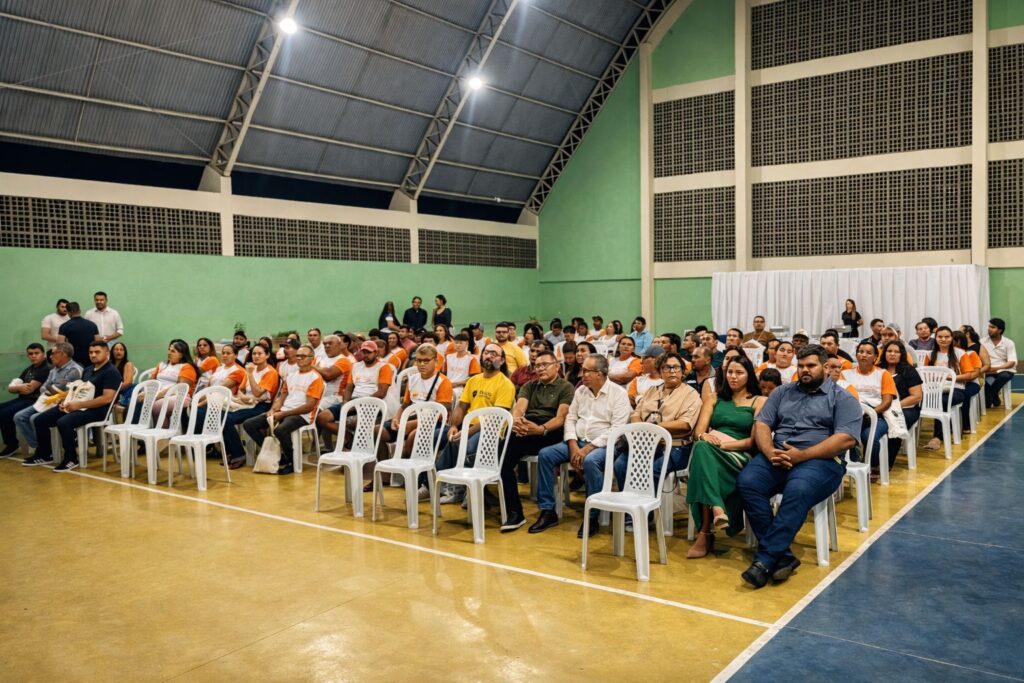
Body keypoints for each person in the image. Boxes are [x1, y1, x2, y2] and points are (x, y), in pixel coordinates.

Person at [737, 345, 861, 588]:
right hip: (778, 456)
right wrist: (769, 451)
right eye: (801, 365)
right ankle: (782, 556)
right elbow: (762, 424)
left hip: (821, 462)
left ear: (825, 367)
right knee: (748, 482)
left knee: (798, 490)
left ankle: (765, 560)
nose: (805, 370)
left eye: (811, 366)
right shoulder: (782, 392)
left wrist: (801, 456)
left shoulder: (843, 398)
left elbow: (845, 439)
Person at [528, 354, 630, 538]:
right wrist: (573, 444)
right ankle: (548, 510)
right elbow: (571, 419)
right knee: (546, 454)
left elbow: (617, 429)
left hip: (605, 445)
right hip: (579, 441)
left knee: (591, 461)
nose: (583, 374)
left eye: (587, 371)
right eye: (583, 370)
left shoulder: (618, 394)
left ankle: (592, 515)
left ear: (600, 373)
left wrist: (588, 448)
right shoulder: (581, 391)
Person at [686, 355, 765, 558]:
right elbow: (699, 432)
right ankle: (716, 509)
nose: (733, 377)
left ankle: (705, 532)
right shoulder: (714, 398)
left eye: (739, 372)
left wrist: (722, 445)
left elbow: (752, 442)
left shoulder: (759, 401)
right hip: (711, 452)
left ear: (749, 375)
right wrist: (704, 437)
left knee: (703, 453)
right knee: (702, 448)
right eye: (730, 372)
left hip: (739, 454)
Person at [614, 352, 702, 528]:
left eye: (676, 367)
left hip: (675, 446)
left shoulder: (691, 394)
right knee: (620, 465)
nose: (672, 371)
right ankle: (631, 510)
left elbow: (685, 424)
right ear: (660, 371)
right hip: (645, 443)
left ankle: (645, 514)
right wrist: (640, 426)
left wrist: (653, 427)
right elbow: (636, 413)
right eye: (666, 368)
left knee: (653, 469)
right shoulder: (652, 391)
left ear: (683, 371)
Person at [495, 350, 575, 532]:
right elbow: (519, 408)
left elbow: (561, 418)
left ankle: (542, 511)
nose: (540, 369)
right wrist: (517, 421)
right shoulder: (530, 385)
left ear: (557, 366)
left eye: (544, 365)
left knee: (504, 452)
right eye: (537, 366)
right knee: (503, 460)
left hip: (551, 431)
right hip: (527, 428)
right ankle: (515, 512)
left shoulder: (566, 387)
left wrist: (541, 429)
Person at [437, 343, 516, 505]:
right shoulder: (473, 380)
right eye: (486, 352)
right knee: (446, 438)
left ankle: (471, 490)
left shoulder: (505, 384)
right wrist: (454, 426)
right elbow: (461, 407)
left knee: (466, 447)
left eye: (494, 354)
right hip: (469, 427)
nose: (489, 356)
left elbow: (495, 418)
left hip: (492, 431)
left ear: (502, 361)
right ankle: (436, 485)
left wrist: (467, 432)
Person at [25, 341, 121, 471]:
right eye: (91, 352)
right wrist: (66, 401)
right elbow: (78, 390)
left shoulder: (111, 372)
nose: (93, 355)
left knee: (64, 422)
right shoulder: (88, 370)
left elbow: (107, 398)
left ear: (107, 353)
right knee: (40, 419)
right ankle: (45, 454)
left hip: (98, 410)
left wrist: (78, 405)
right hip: (80, 405)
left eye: (97, 352)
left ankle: (71, 458)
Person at [243, 344, 323, 475]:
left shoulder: (315, 378)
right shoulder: (291, 375)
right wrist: (273, 410)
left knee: (280, 430)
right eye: (298, 356)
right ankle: (277, 455)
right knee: (249, 424)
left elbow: (309, 406)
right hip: (284, 411)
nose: (299, 358)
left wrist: (283, 414)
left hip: (303, 415)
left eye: (303, 356)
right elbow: (282, 397)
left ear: (311, 358)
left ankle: (292, 462)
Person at [7, 343, 78, 458]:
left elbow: (56, 389)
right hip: (44, 401)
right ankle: (39, 447)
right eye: (30, 354)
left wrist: (50, 387)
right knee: (19, 417)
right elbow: (43, 388)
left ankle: (44, 450)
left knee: (34, 418)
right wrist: (51, 387)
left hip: (59, 403)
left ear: (62, 354)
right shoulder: (53, 369)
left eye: (53, 353)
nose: (51, 356)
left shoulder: (73, 370)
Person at [842, 341, 897, 469]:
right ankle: (853, 462)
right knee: (845, 435)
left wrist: (872, 413)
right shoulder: (845, 374)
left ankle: (872, 466)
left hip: (877, 414)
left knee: (869, 436)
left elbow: (887, 401)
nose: (864, 355)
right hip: (852, 414)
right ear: (856, 355)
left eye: (868, 353)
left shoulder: (884, 374)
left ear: (875, 357)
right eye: (861, 352)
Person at [224, 343, 279, 468]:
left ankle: (238, 454)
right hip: (246, 403)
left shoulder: (270, 372)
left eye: (260, 353)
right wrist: (245, 398)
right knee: (220, 416)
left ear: (267, 355)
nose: (256, 356)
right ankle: (231, 451)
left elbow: (258, 392)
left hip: (261, 406)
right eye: (254, 353)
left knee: (227, 419)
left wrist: (250, 375)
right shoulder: (251, 369)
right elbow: (240, 390)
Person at [923, 326, 978, 449]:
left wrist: (949, 378)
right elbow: (924, 374)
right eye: (940, 337)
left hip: (956, 389)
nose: (943, 339)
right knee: (926, 401)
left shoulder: (960, 353)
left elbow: (969, 375)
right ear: (935, 338)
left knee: (942, 402)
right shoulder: (930, 354)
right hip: (935, 389)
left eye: (947, 337)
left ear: (952, 338)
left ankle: (937, 437)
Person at [880, 340, 922, 467]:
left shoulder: (909, 370)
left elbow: (916, 397)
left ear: (902, 354)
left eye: (896, 352)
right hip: (882, 407)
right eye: (889, 351)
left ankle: (887, 463)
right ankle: (873, 460)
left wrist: (894, 406)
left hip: (906, 408)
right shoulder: (878, 369)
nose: (892, 354)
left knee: (894, 423)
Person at [144, 340, 199, 425]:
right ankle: (139, 430)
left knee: (157, 406)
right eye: (169, 350)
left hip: (178, 396)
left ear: (181, 355)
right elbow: (151, 382)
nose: (169, 353)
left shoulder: (187, 367)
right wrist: (146, 392)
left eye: (173, 351)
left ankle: (162, 433)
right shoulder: (162, 364)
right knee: (137, 402)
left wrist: (156, 395)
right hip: (159, 394)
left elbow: (180, 388)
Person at [983, 317, 1016, 408]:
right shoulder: (982, 342)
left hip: (1005, 370)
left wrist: (997, 368)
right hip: (989, 371)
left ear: (1000, 330)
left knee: (1004, 376)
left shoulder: (1009, 343)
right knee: (986, 381)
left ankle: (990, 396)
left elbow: (1011, 362)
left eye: (993, 327)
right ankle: (994, 396)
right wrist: (987, 369)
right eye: (989, 326)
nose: (989, 329)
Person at [58, 302, 100, 367]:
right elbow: (98, 343)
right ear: (79, 310)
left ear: (68, 312)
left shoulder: (64, 326)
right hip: (91, 359)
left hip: (73, 361)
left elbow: (60, 345)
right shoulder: (92, 325)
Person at [445, 333, 481, 403]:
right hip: (448, 385)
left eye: (461, 343)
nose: (458, 345)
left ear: (467, 344)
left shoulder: (471, 359)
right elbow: (443, 373)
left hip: (461, 388)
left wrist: (457, 383)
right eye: (456, 343)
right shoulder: (448, 357)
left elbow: (475, 377)